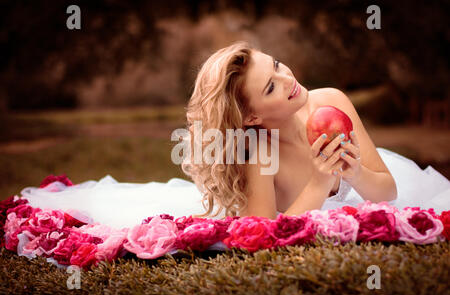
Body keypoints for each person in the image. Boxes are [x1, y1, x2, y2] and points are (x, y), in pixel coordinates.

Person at [20, 41, 450, 229]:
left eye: (277, 66)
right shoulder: (257, 150)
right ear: (252, 119)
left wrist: (352, 173)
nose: (287, 80)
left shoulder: (331, 100)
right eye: (270, 88)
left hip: (363, 188)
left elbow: (388, 191)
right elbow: (264, 234)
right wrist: (320, 182)